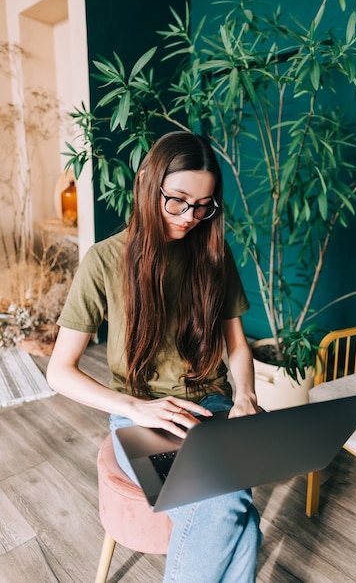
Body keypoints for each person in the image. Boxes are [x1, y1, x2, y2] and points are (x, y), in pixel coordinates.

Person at [47, 131, 263, 582]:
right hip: (141, 417)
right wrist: (136, 407)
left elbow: (237, 345)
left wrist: (244, 396)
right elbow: (58, 372)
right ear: (147, 181)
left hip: (215, 407)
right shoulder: (104, 260)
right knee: (231, 506)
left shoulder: (214, 254)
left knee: (235, 511)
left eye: (204, 206)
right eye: (178, 200)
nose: (190, 217)